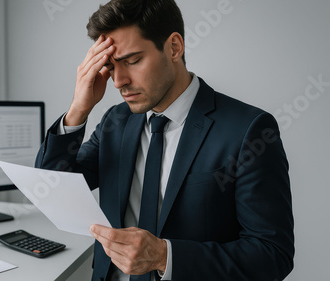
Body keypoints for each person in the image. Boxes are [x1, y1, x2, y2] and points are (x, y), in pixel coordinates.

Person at [35, 0, 294, 280]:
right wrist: (78, 110)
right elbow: (51, 189)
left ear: (174, 47)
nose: (119, 80)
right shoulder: (115, 121)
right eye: (110, 66)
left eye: (132, 61)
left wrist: (164, 256)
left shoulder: (248, 130)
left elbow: (272, 255)